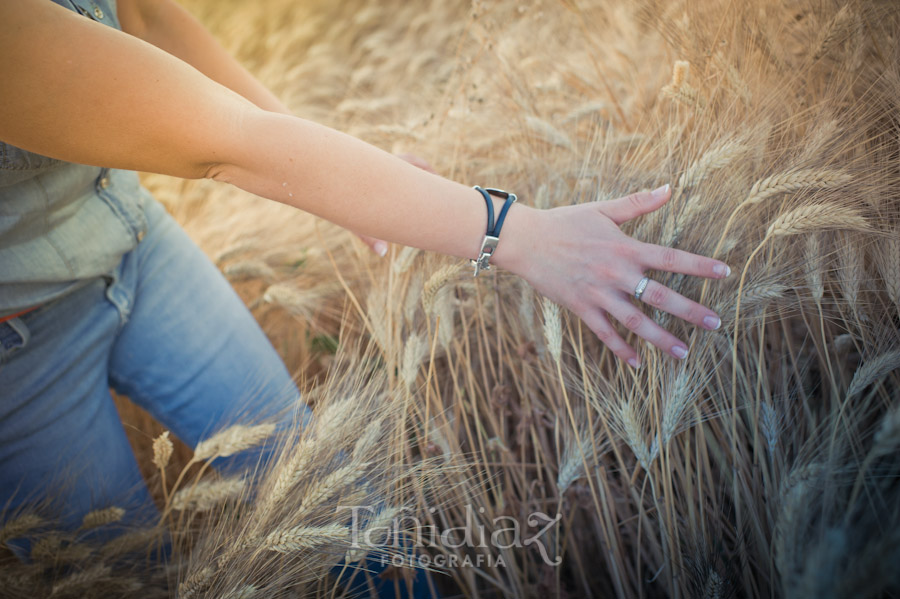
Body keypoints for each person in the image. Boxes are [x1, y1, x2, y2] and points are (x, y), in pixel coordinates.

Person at [0, 0, 729, 578]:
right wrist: (524, 234)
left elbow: (150, 18)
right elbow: (228, 145)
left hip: (138, 246)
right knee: (123, 575)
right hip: (18, 358)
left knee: (338, 504)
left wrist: (357, 173)